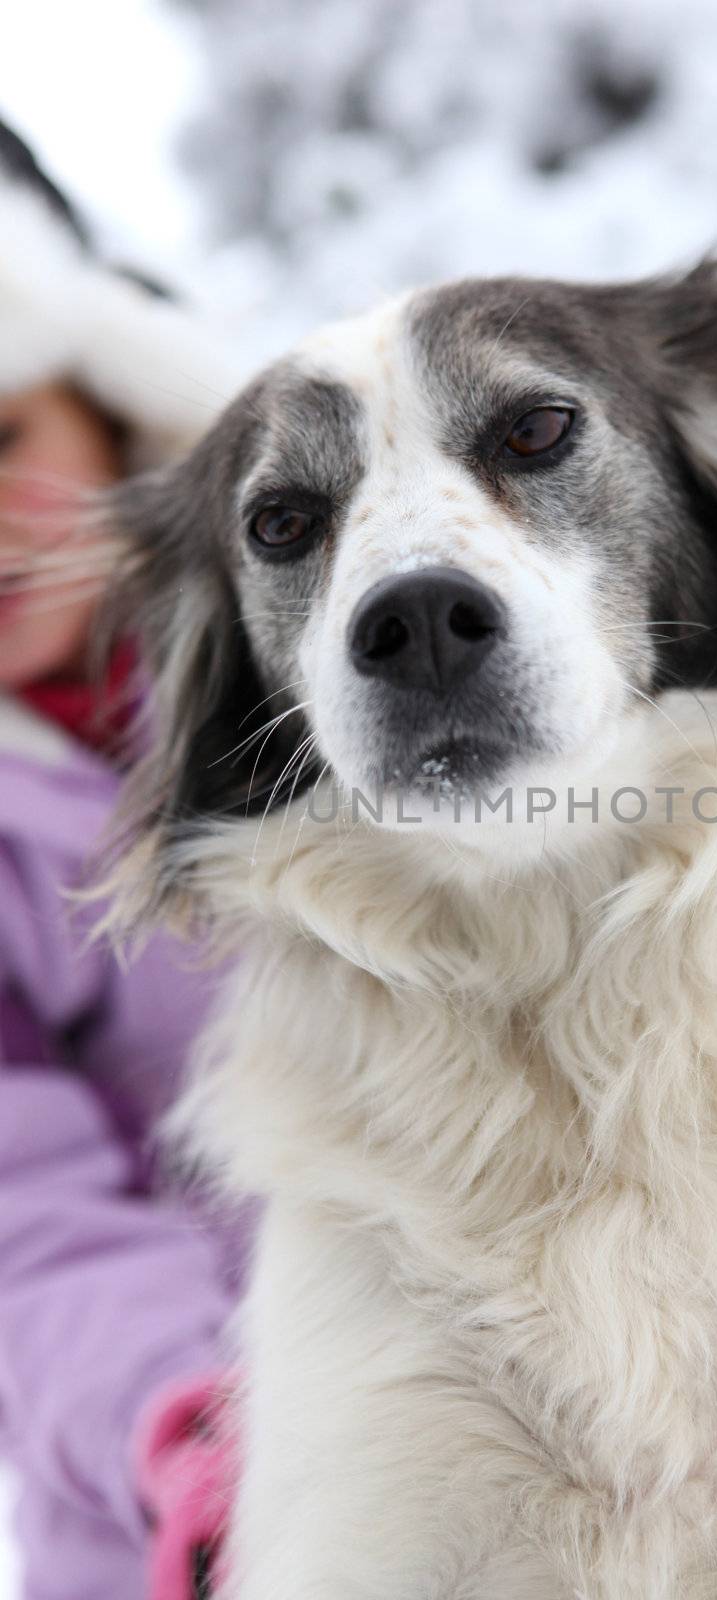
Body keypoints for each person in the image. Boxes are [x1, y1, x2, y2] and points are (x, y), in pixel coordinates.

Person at [0, 119, 243, 1600]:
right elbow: (28, 1227)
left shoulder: (343, 646)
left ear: (107, 396)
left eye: (1, 438)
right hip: (182, 1500)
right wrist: (201, 1437)